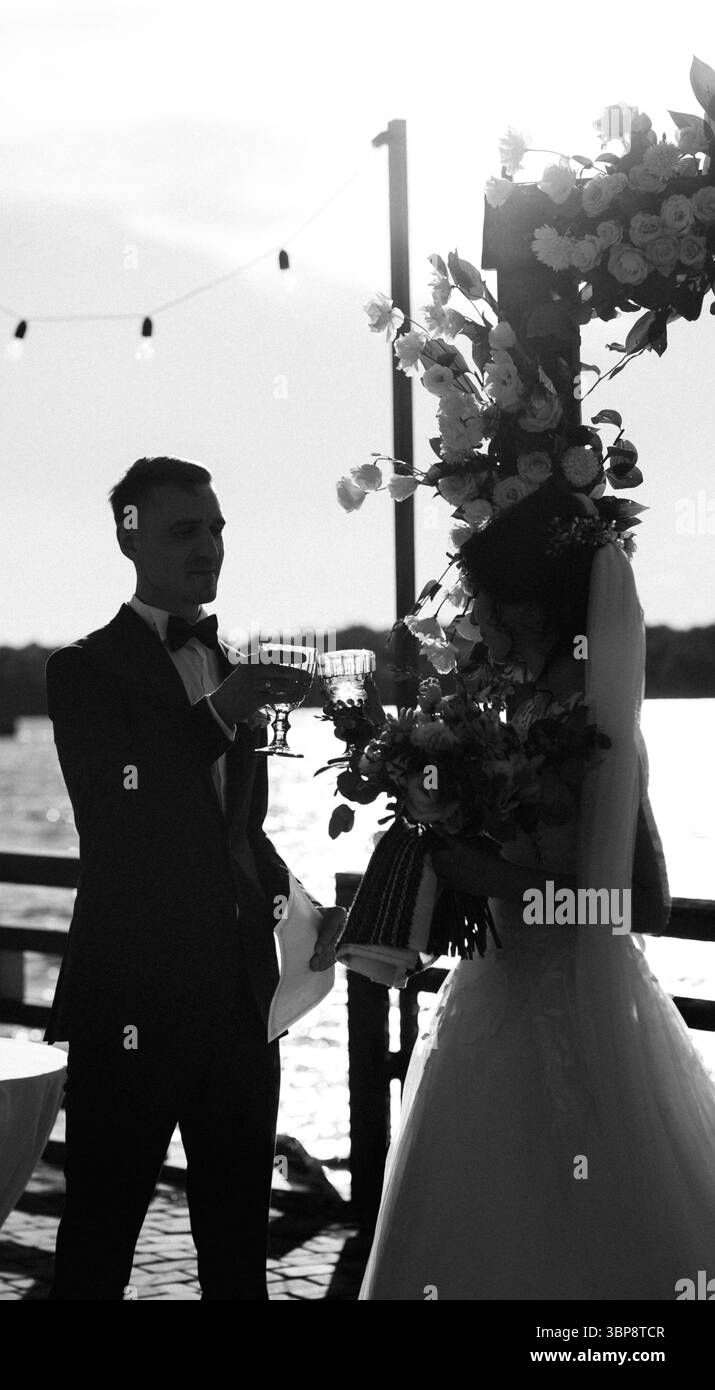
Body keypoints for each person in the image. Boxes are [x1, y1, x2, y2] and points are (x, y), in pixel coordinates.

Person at [357, 485, 715, 1300]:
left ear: (533, 605)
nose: (474, 615)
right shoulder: (516, 711)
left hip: (571, 1014)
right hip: (492, 994)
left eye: (484, 598)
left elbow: (643, 907)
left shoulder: (595, 726)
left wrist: (498, 881)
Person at [45, 455, 344, 1300]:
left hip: (241, 999)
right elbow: (121, 809)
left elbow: (237, 833)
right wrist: (223, 711)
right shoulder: (81, 670)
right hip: (131, 997)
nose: (209, 545)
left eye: (216, 528)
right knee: (100, 1236)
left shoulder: (228, 662)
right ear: (128, 538)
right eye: (186, 530)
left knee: (235, 1242)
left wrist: (308, 911)